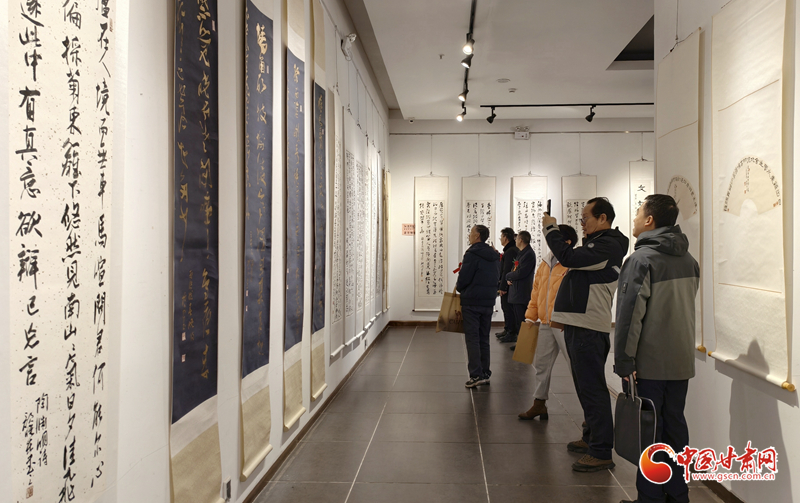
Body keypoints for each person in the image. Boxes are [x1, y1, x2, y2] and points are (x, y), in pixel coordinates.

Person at [615, 195, 699, 503]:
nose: (635, 217)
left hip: (649, 363)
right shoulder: (689, 260)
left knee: (649, 432)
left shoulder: (641, 260)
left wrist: (624, 361)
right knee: (675, 427)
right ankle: (677, 494)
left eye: (639, 212)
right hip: (681, 361)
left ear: (650, 220)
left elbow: (629, 317)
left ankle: (649, 498)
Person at [542, 197, 628, 472]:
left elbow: (568, 257)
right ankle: (592, 437)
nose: (582, 224)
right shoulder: (599, 243)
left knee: (592, 389)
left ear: (603, 218)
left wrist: (551, 229)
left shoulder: (608, 245)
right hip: (580, 324)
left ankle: (601, 451)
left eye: (585, 218)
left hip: (588, 327)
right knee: (584, 386)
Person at [518, 224, 578, 421]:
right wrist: (530, 316)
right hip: (545, 322)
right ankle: (539, 403)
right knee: (541, 364)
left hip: (565, 324)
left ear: (567, 242)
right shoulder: (545, 262)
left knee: (576, 366)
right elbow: (536, 291)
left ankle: (590, 411)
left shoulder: (574, 263)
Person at [456, 224, 501, 388]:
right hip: (488, 301)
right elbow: (498, 276)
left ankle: (476, 374)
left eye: (471, 232)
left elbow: (464, 278)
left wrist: (460, 288)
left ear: (477, 236)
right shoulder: (494, 255)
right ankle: (485, 372)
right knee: (484, 337)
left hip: (472, 301)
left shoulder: (472, 254)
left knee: (472, 338)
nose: (469, 235)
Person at [501, 231, 536, 344]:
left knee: (521, 320)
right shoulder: (521, 253)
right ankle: (520, 343)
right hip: (516, 291)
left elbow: (521, 272)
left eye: (516, 239)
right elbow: (515, 269)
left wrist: (508, 276)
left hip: (521, 292)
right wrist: (510, 276)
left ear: (521, 240)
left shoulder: (528, 254)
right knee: (518, 320)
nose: (515, 241)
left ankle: (523, 344)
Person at [496, 227, 519, 340]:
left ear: (505, 237)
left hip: (508, 285)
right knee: (506, 308)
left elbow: (507, 270)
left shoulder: (510, 251)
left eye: (501, 237)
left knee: (508, 308)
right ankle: (507, 329)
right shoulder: (510, 250)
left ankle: (511, 332)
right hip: (508, 284)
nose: (500, 239)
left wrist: (503, 287)